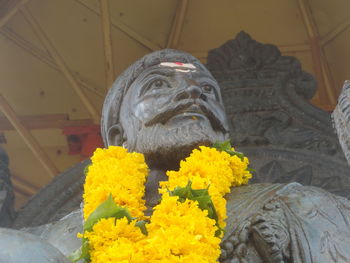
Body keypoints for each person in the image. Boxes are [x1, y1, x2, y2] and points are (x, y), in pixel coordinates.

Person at [1, 49, 350, 262]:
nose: (193, 90)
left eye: (208, 90)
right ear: (119, 135)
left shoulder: (294, 206)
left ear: (224, 132)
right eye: (158, 84)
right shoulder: (49, 238)